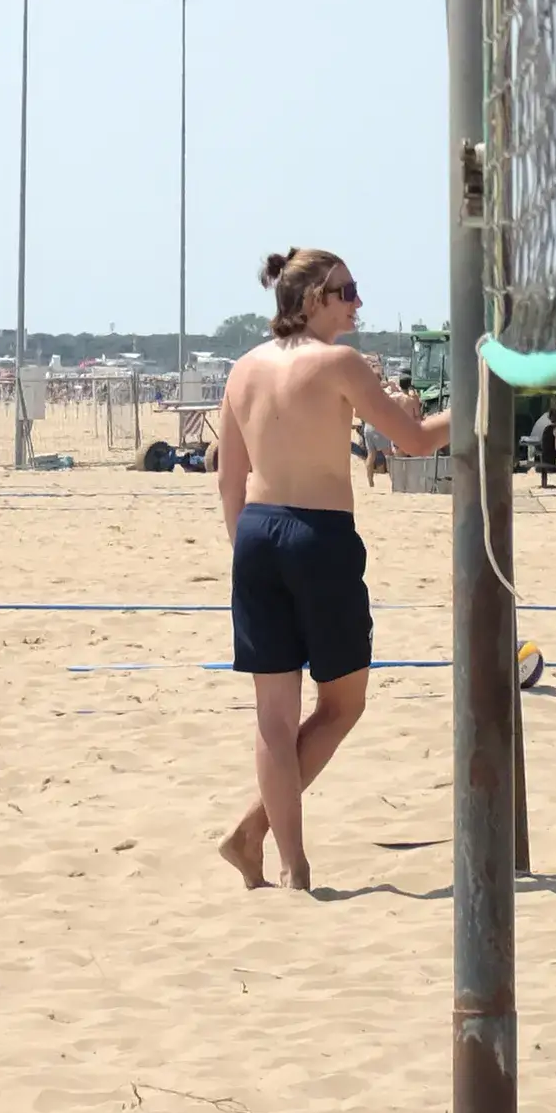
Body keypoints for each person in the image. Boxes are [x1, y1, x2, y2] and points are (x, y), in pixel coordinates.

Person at [207, 246, 446, 891]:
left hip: (256, 534)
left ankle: (287, 863)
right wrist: (482, 406)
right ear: (311, 297)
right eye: (347, 290)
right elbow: (417, 442)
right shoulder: (340, 363)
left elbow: (230, 480)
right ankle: (256, 836)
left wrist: (246, 554)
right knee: (342, 704)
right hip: (318, 535)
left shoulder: (242, 369)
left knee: (274, 717)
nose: (357, 302)